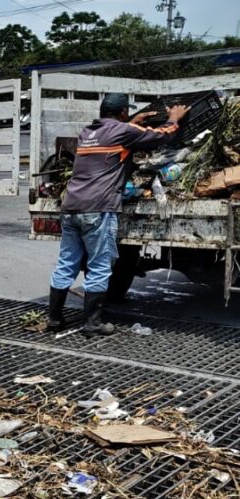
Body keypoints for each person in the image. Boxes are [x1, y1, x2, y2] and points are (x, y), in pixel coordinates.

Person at [46, 94, 189, 336]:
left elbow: (113, 136)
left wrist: (132, 122)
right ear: (123, 112)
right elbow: (162, 135)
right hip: (98, 208)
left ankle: (54, 320)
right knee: (100, 266)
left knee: (66, 264)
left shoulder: (87, 133)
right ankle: (92, 324)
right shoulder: (123, 131)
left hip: (70, 207)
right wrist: (174, 118)